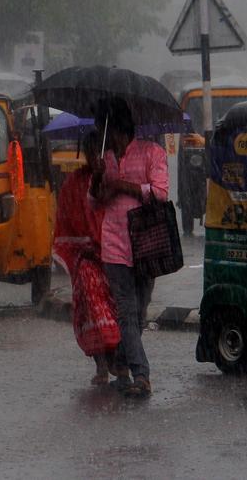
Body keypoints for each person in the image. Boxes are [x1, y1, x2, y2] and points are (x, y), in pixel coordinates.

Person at [91, 97, 169, 398]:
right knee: (126, 312)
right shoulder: (105, 159)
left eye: (103, 130)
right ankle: (142, 374)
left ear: (116, 129)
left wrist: (123, 185)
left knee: (138, 312)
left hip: (146, 245)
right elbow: (94, 201)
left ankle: (121, 359)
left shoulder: (153, 153)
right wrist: (98, 176)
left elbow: (160, 193)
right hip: (114, 246)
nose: (100, 136)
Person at [53, 131, 121, 386]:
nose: (96, 158)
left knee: (114, 310)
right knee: (92, 309)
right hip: (86, 259)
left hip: (113, 255)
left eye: (101, 152)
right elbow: (67, 221)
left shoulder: (115, 181)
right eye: (92, 153)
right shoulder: (74, 182)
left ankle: (115, 358)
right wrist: (86, 246)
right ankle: (101, 364)